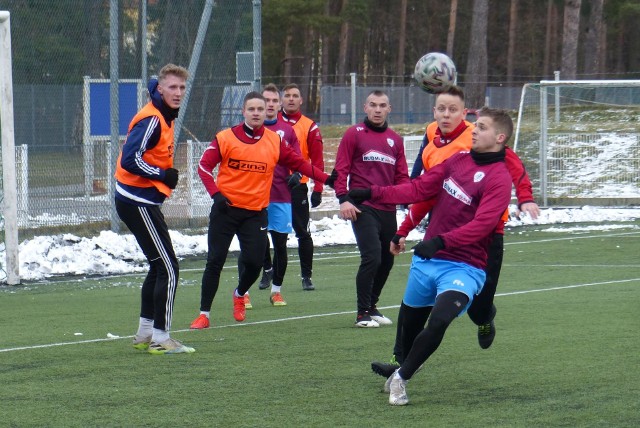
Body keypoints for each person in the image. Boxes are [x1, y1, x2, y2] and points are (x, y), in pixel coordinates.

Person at [349, 107, 515, 405]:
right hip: (428, 264)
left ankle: (402, 378)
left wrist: (440, 241)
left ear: (500, 137)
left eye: (483, 127)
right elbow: (418, 188)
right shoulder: (458, 160)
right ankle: (401, 365)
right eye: (475, 125)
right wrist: (371, 192)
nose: (474, 130)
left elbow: (482, 226)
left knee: (440, 320)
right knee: (408, 330)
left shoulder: (500, 178)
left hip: (465, 266)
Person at [372, 86, 539, 372]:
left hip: (483, 238)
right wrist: (405, 228)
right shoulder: (431, 139)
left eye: (452, 110)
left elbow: (513, 166)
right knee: (413, 309)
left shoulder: (479, 138)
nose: (446, 114)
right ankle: (400, 363)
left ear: (465, 115)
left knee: (478, 306)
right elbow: (424, 191)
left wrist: (525, 198)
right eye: (441, 108)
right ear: (433, 111)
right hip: (442, 231)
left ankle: (485, 318)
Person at [189, 91, 332, 329]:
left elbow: (299, 163)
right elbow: (204, 167)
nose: (256, 113)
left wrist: (327, 179)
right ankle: (204, 315)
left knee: (255, 263)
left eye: (260, 109)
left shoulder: (274, 140)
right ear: (243, 112)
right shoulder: (225, 138)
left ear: (267, 112)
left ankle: (239, 293)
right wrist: (216, 194)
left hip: (255, 213)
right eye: (251, 109)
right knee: (215, 261)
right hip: (225, 212)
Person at [115, 63, 195, 355]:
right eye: (172, 87)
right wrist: (162, 174)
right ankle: (161, 338)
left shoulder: (165, 114)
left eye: (182, 88)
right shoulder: (152, 118)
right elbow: (129, 159)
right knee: (169, 268)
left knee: (158, 264)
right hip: (138, 201)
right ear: (159, 89)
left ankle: (145, 332)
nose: (177, 92)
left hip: (138, 200)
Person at [333, 89, 411, 327]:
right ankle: (361, 313)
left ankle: (372, 306)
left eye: (382, 105)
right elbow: (340, 170)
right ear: (365, 108)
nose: (378, 109)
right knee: (372, 258)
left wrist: (409, 202)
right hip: (362, 207)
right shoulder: (354, 134)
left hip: (388, 208)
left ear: (389, 109)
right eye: (373, 105)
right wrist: (343, 199)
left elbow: (403, 177)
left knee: (388, 259)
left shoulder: (395, 140)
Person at [257, 83, 304, 306]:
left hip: (281, 195)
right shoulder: (250, 130)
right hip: (255, 195)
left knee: (281, 243)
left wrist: (297, 175)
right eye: (266, 101)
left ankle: (276, 291)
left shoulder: (287, 130)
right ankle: (260, 274)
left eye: (275, 101)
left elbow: (297, 160)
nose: (270, 105)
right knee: (255, 242)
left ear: (280, 103)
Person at [278, 83, 325, 291]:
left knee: (302, 232)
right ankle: (267, 272)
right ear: (281, 99)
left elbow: (317, 160)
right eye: (287, 95)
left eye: (294, 95)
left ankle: (306, 276)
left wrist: (318, 188)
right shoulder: (271, 123)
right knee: (268, 232)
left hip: (298, 186)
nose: (290, 99)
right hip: (272, 187)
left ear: (301, 100)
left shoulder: (309, 126)